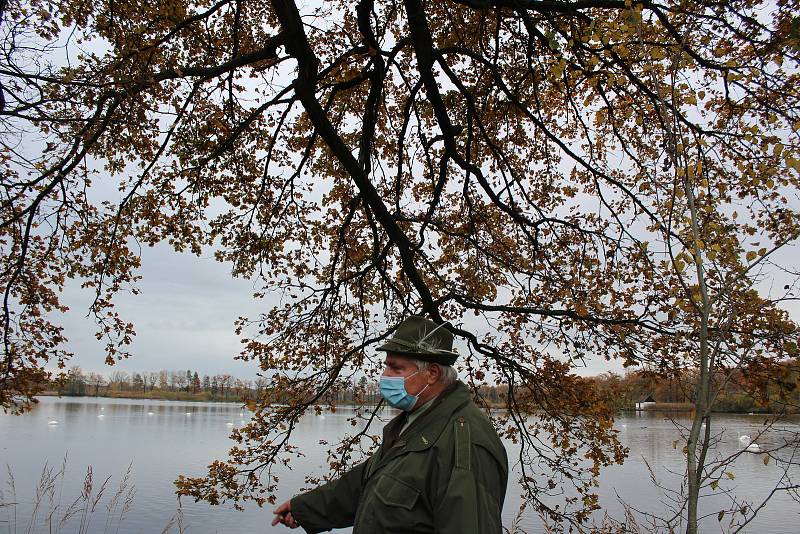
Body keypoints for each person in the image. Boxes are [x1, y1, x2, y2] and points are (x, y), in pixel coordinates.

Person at [271, 315, 508, 533]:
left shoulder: (464, 443)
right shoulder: (413, 423)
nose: (384, 375)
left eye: (396, 368)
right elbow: (365, 483)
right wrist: (304, 508)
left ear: (432, 373)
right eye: (386, 366)